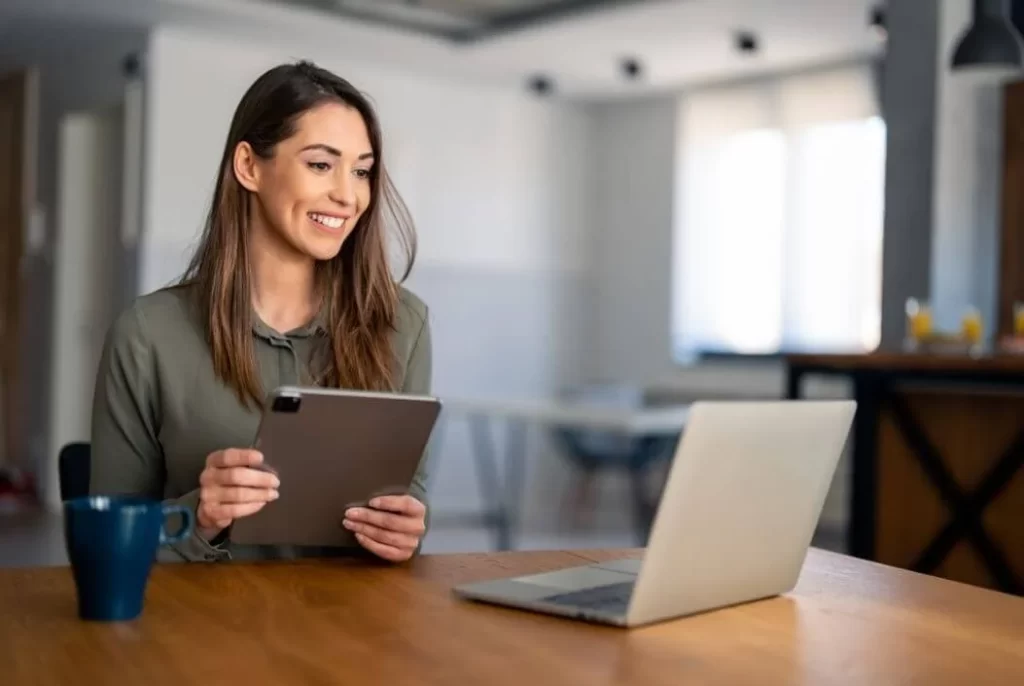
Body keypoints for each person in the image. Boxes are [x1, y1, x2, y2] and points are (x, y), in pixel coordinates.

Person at [89, 61, 431, 564]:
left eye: (361, 170)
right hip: (196, 632)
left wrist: (404, 529)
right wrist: (199, 515)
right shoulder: (147, 335)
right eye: (321, 164)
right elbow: (104, 543)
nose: (348, 194)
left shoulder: (404, 323)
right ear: (249, 166)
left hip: (353, 633)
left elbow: (411, 496)